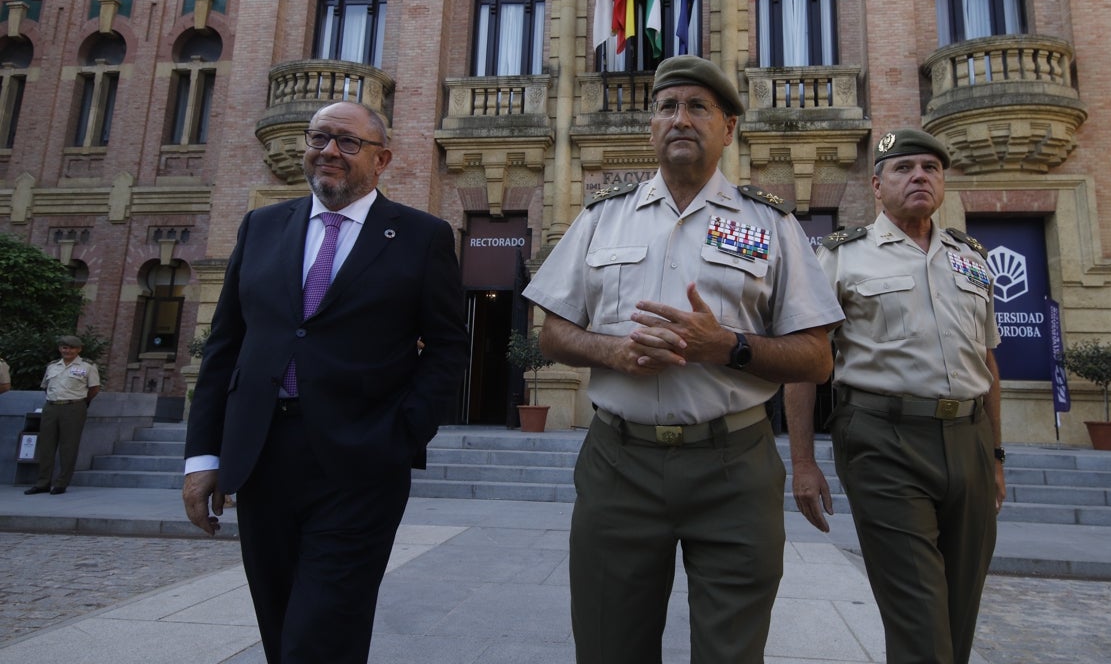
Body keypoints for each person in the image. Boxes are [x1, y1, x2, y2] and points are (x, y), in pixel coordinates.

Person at [523, 54, 844, 663]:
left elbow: (817, 359)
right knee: (607, 645)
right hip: (619, 463)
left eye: (699, 107)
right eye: (668, 107)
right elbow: (553, 334)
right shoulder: (599, 218)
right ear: (651, 128)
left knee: (732, 651)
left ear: (728, 129)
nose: (681, 118)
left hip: (734, 465)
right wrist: (612, 349)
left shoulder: (771, 225)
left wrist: (728, 346)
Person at [182, 101, 469, 664]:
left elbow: (448, 349)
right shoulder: (262, 226)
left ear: (382, 159)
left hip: (360, 464)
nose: (329, 151)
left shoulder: (422, 237)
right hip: (261, 457)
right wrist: (202, 458)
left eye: (347, 142)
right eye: (320, 137)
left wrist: (403, 435)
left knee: (322, 633)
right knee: (279, 619)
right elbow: (224, 347)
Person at [785, 127, 1006, 664]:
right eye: (904, 169)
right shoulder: (842, 257)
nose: (920, 177)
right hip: (883, 441)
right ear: (877, 186)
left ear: (943, 183)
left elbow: (988, 360)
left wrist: (996, 457)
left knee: (960, 609)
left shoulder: (970, 258)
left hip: (970, 439)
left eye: (930, 168)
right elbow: (803, 363)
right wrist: (802, 463)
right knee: (919, 615)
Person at [25, 335, 100, 495]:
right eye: (65, 347)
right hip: (51, 406)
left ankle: (61, 483)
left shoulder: (88, 366)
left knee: (68, 446)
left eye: (72, 348)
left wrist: (80, 402)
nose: (68, 351)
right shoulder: (53, 366)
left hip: (73, 406)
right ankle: (43, 482)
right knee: (46, 446)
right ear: (60, 349)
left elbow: (94, 389)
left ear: (79, 349)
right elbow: (46, 386)